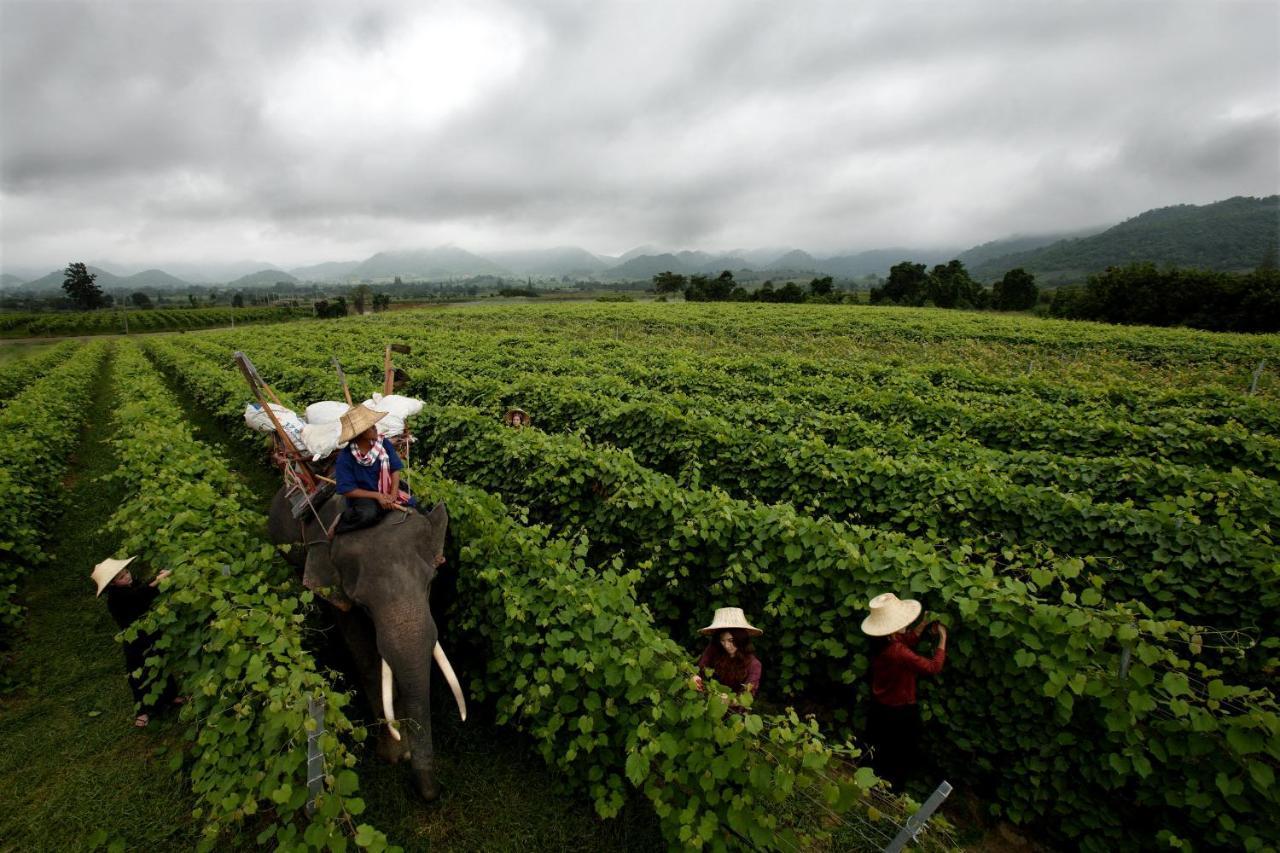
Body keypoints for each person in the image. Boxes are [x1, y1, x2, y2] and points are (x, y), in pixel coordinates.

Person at [860, 592, 947, 790]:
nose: (906, 623)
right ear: (891, 629)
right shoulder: (897, 651)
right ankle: (890, 793)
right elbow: (933, 667)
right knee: (898, 755)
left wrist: (923, 624)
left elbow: (904, 641)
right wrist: (943, 638)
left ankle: (869, 782)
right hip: (898, 711)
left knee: (877, 749)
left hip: (879, 706)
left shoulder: (881, 641)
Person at [92, 555, 177, 727]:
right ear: (113, 584)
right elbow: (140, 596)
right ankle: (142, 710)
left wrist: (158, 579)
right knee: (138, 673)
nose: (127, 576)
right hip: (135, 640)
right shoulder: (116, 598)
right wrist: (159, 580)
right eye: (122, 577)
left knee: (160, 662)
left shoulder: (132, 584)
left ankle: (171, 696)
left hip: (150, 631)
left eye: (126, 572)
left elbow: (145, 588)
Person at [334, 406, 415, 534]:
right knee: (368, 515)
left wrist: (393, 495)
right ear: (360, 434)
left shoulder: (383, 444)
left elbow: (395, 469)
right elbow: (347, 490)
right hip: (366, 497)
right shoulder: (345, 458)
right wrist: (377, 496)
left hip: (387, 489)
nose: (375, 427)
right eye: (371, 426)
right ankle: (341, 520)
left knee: (414, 503)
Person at [692, 607, 763, 704]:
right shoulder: (714, 649)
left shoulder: (753, 664)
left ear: (740, 639)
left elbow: (747, 696)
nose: (726, 645)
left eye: (731, 640)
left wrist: (729, 701)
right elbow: (702, 667)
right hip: (710, 701)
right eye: (722, 640)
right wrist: (695, 677)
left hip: (735, 712)